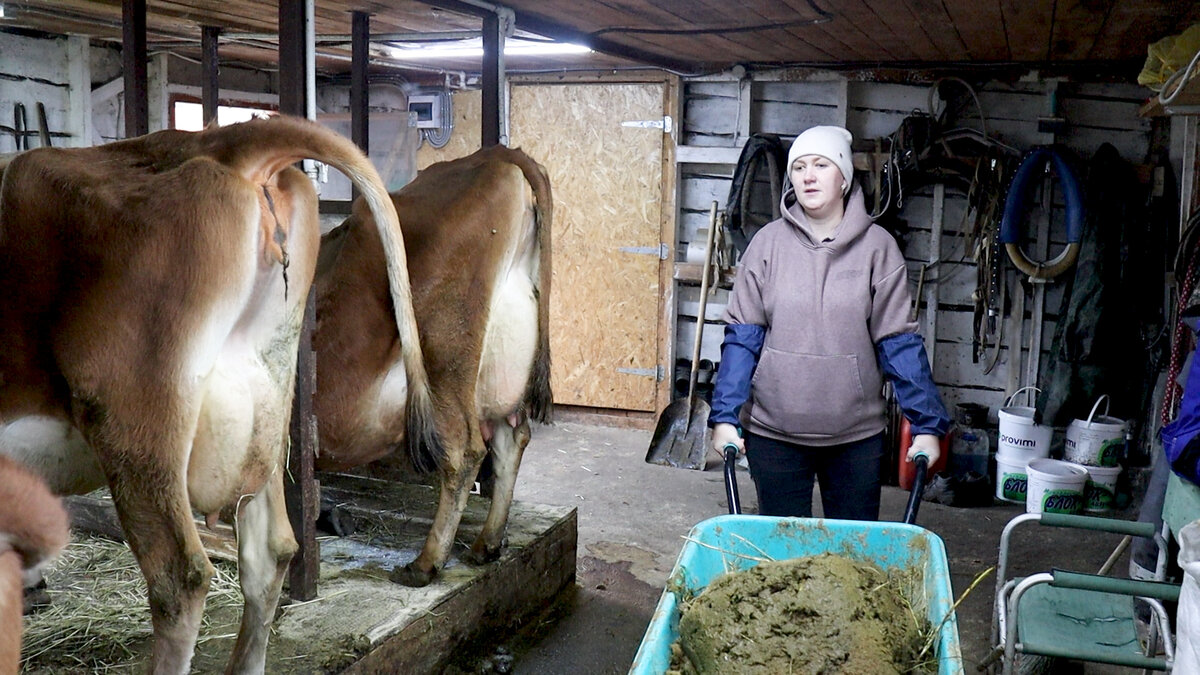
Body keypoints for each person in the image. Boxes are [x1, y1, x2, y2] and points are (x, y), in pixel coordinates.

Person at [708, 125, 950, 520]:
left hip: (855, 438)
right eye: (799, 167)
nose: (808, 175)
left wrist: (926, 424)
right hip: (774, 433)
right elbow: (742, 340)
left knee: (851, 556)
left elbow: (898, 343)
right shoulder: (766, 245)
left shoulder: (878, 249)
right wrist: (723, 417)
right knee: (781, 558)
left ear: (843, 179)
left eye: (821, 164)